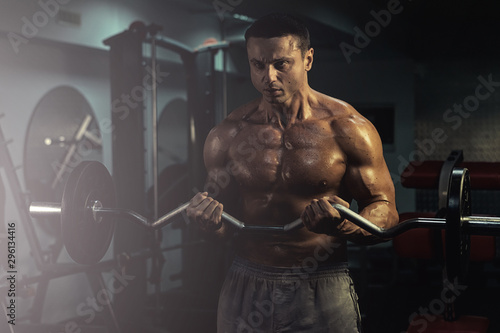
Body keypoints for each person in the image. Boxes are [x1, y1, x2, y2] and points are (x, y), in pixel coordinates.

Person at [186, 12, 399, 333]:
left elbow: (386, 212)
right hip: (246, 280)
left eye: (281, 64)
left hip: (320, 282)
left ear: (308, 59)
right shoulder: (227, 134)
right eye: (257, 65)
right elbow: (221, 225)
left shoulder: (348, 129)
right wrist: (207, 223)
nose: (268, 77)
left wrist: (343, 225)